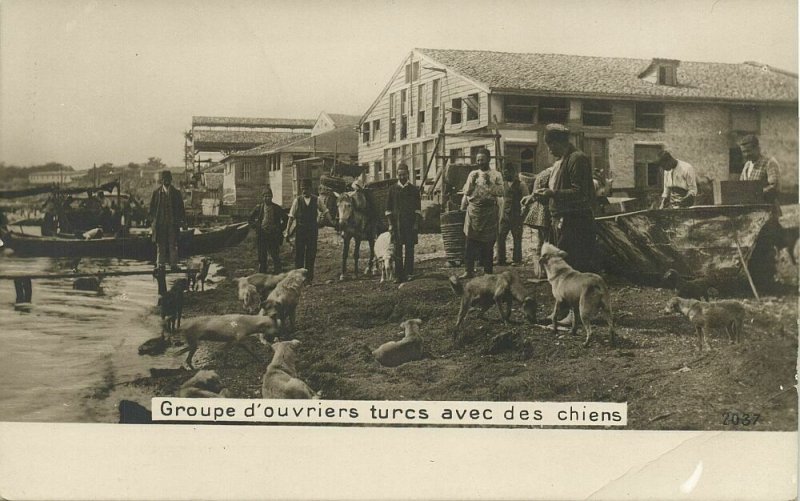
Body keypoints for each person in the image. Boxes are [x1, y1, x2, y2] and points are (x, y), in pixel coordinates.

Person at [533, 124, 596, 273]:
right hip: (564, 221)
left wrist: (552, 193)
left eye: (549, 145)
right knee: (566, 263)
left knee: (573, 265)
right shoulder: (563, 160)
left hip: (575, 223)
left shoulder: (577, 159)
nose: (549, 150)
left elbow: (580, 193)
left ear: (557, 143)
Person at [459, 147, 504, 278]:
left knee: (488, 243)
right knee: (470, 242)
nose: (480, 162)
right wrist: (472, 183)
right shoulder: (472, 174)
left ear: (488, 160)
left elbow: (501, 192)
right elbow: (466, 192)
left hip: (489, 212)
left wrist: (490, 183)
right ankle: (468, 270)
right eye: (478, 160)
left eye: (482, 160)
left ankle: (488, 272)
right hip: (473, 212)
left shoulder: (496, 175)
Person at [285, 179, 326, 285]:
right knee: (299, 254)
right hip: (301, 230)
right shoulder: (297, 200)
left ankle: (309, 279)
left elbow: (325, 211)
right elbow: (291, 217)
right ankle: (298, 279)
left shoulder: (317, 200)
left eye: (306, 189)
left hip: (312, 231)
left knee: (311, 254)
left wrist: (331, 221)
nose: (304, 191)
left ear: (310, 189)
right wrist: (287, 231)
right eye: (302, 189)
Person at [386, 163, 421, 283]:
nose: (402, 177)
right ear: (397, 175)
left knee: (410, 248)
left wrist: (416, 224)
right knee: (397, 249)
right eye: (400, 175)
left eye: (404, 175)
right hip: (397, 224)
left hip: (410, 224)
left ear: (408, 174)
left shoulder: (414, 190)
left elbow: (418, 209)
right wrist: (390, 224)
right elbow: (388, 210)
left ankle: (409, 273)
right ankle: (398, 275)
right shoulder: (392, 190)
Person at [149, 170, 186, 271]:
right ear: (162, 180)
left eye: (168, 179)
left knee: (173, 244)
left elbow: (181, 209)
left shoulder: (176, 193)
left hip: (172, 224)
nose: (167, 181)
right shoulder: (156, 193)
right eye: (165, 179)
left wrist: (182, 221)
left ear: (171, 180)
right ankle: (160, 265)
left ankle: (173, 265)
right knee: (160, 245)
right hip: (160, 224)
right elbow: (151, 209)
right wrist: (153, 221)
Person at [522, 165, 554, 278]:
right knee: (547, 241)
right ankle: (543, 270)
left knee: (542, 240)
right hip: (545, 210)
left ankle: (541, 271)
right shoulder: (548, 174)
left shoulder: (545, 173)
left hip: (542, 210)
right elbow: (539, 193)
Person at [738, 134, 781, 216]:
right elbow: (742, 185)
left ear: (757, 148)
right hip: (751, 212)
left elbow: (775, 186)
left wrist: (755, 193)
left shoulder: (770, 162)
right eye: (744, 152)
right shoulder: (747, 165)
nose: (746, 154)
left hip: (768, 211)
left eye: (749, 151)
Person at [249, 187, 288, 274]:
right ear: (262, 197)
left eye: (269, 196)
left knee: (275, 256)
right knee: (262, 257)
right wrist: (257, 227)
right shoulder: (259, 208)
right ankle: (262, 274)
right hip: (262, 235)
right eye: (265, 196)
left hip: (273, 235)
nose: (267, 198)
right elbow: (250, 219)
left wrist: (279, 228)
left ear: (272, 197)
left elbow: (286, 219)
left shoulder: (277, 208)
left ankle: (277, 274)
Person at [496, 163, 529, 266]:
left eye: (507, 173)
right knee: (500, 237)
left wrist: (523, 213)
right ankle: (501, 259)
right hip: (503, 216)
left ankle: (517, 260)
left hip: (516, 216)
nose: (505, 175)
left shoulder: (521, 185)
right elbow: (498, 198)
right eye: (503, 173)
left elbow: (526, 199)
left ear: (513, 173)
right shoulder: (502, 185)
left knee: (517, 238)